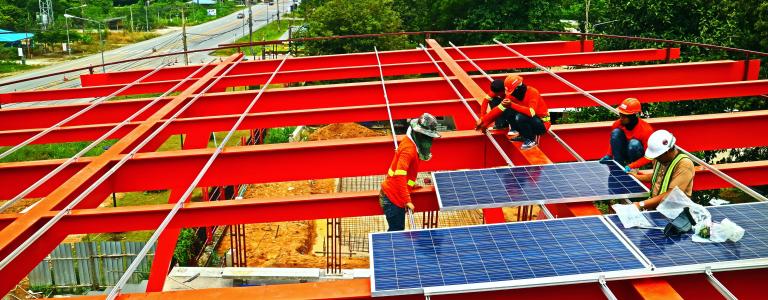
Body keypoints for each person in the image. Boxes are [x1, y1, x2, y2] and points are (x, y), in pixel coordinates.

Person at [379, 113, 440, 231]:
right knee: (396, 233)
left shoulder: (412, 143)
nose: (429, 140)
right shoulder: (409, 150)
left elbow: (406, 174)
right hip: (393, 199)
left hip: (395, 195)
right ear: (418, 134)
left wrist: (410, 186)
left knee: (396, 233)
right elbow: (399, 175)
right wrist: (407, 200)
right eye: (427, 136)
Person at [476, 75, 550, 150]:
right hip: (530, 120)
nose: (509, 94)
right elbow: (499, 109)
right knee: (508, 110)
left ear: (518, 88)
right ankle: (522, 135)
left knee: (520, 116)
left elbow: (531, 112)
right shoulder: (511, 96)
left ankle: (530, 139)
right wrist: (483, 121)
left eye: (511, 91)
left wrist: (511, 105)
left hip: (542, 124)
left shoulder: (532, 92)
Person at [630, 130, 694, 210]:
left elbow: (672, 194)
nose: (655, 158)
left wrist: (641, 204)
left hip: (674, 214)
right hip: (657, 210)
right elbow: (657, 177)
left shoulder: (684, 164)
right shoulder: (660, 158)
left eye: (657, 156)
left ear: (667, 152)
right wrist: (636, 177)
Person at [599, 98, 655, 172]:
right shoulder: (617, 124)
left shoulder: (646, 130)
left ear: (633, 116)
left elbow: (649, 157)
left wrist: (632, 166)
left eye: (624, 116)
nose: (621, 118)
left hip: (637, 156)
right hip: (624, 153)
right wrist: (609, 155)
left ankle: (635, 170)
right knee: (615, 133)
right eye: (620, 114)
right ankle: (618, 166)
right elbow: (614, 141)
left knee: (634, 144)